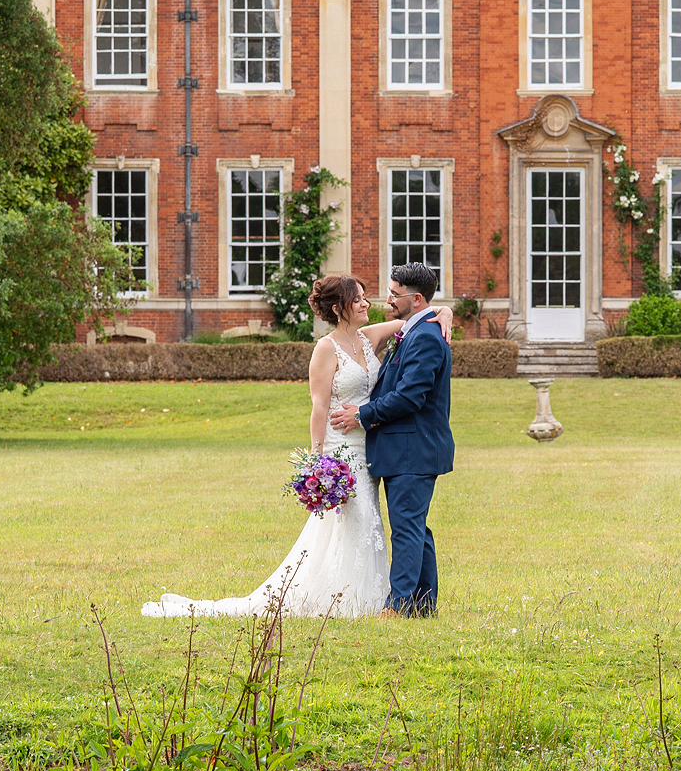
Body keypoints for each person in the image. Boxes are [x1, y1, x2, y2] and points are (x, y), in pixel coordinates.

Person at [142, 275, 443, 619]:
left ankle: (370, 596)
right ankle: (342, 599)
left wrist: (444, 312)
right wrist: (318, 462)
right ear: (338, 308)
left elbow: (414, 316)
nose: (366, 304)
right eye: (358, 299)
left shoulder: (368, 336)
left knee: (369, 522)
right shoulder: (326, 349)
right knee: (350, 520)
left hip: (368, 448)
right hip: (339, 448)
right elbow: (318, 407)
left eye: (364, 298)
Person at [331, 261, 454, 619]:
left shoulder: (426, 338)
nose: (387, 300)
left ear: (416, 299)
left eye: (394, 295)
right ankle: (423, 605)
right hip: (404, 450)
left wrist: (361, 414)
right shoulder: (414, 330)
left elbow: (409, 397)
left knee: (407, 529)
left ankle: (398, 607)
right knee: (416, 528)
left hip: (413, 450)